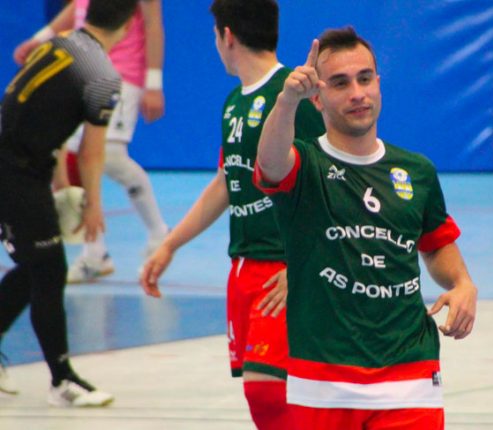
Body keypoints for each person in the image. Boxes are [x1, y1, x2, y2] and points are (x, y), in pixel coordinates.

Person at [253, 26, 478, 429]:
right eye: (340, 83)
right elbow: (269, 162)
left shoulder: (416, 171)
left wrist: (462, 284)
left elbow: (436, 243)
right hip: (321, 381)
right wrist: (287, 102)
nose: (357, 93)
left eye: (365, 78)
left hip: (409, 374)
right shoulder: (304, 166)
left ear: (378, 83)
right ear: (317, 98)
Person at [139, 1, 324, 428]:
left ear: (227, 36)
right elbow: (227, 181)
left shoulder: (292, 95)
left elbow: (330, 180)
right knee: (266, 396)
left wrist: (306, 262)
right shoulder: (233, 103)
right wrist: (170, 244)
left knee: (267, 389)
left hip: (282, 268)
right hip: (242, 269)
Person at [0, 0, 140, 406]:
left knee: (36, 263)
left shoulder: (60, 43)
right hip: (15, 172)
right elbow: (92, 152)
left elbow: (47, 115)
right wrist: (93, 204)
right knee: (49, 268)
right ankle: (62, 382)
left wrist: (59, 180)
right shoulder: (104, 78)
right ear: (128, 27)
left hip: (20, 165)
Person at [14, 0, 169, 283]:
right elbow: (78, 6)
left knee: (110, 156)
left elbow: (153, 23)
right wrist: (40, 37)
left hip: (121, 73)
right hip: (83, 63)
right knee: (74, 157)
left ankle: (159, 232)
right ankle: (95, 252)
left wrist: (154, 83)